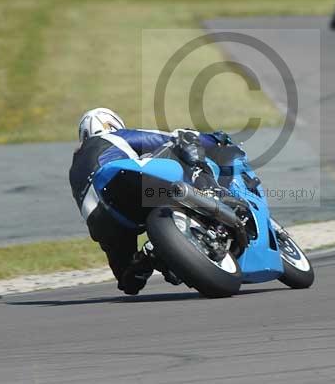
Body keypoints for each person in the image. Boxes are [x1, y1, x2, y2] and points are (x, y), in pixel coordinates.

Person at [68, 107, 244, 295]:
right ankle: (213, 193)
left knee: (129, 281)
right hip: (123, 181)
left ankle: (151, 256)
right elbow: (164, 137)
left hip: (103, 221)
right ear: (111, 124)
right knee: (184, 139)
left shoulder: (74, 171)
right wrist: (214, 139)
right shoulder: (113, 137)